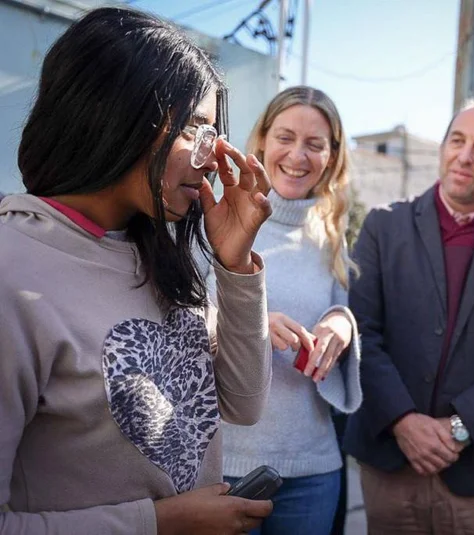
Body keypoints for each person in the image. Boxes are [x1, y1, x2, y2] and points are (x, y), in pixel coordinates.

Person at [0, 8, 275, 535]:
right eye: (195, 129)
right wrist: (158, 523)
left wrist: (235, 265)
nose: (213, 154)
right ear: (117, 114)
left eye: (214, 132)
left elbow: (243, 401)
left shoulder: (156, 250)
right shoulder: (15, 270)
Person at [344, 98, 474, 534]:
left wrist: (461, 426)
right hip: (390, 465)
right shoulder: (382, 226)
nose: (465, 156)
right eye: (457, 140)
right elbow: (361, 332)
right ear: (442, 146)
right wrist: (402, 421)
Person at [210, 86, 362, 535]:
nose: (298, 155)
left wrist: (341, 323)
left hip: (313, 467)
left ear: (331, 158)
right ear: (261, 142)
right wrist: (249, 325)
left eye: (315, 144)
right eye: (285, 137)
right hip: (222, 465)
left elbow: (342, 308)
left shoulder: (331, 236)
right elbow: (180, 322)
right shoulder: (216, 219)